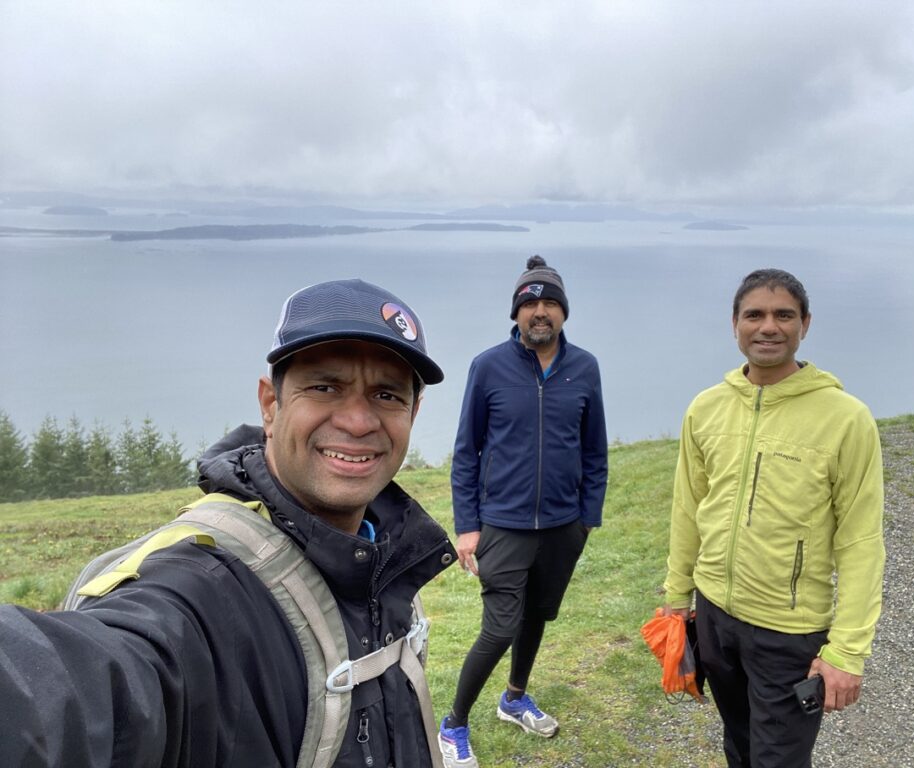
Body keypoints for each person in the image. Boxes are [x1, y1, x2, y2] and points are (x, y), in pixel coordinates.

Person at [0, 279, 458, 767]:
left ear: (413, 412)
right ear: (270, 404)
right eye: (325, 387)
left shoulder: (385, 555)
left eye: (387, 395)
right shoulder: (201, 588)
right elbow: (91, 683)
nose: (358, 421)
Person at [663, 268, 885, 768]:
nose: (768, 327)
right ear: (735, 324)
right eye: (754, 315)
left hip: (788, 631)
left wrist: (847, 651)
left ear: (805, 324)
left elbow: (861, 541)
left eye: (783, 315)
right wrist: (677, 600)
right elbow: (688, 509)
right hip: (714, 617)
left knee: (778, 759)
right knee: (739, 744)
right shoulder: (706, 408)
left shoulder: (846, 418)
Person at [438, 255, 608, 768]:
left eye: (551, 303)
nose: (540, 311)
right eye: (530, 303)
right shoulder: (489, 366)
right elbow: (466, 451)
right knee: (500, 628)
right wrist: (467, 527)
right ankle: (453, 724)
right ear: (516, 313)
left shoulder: (585, 368)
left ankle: (514, 698)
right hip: (502, 525)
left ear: (564, 312)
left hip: (563, 526)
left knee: (537, 616)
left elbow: (594, 450)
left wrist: (587, 519)